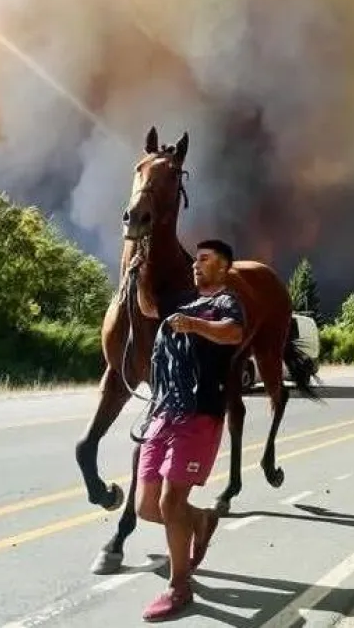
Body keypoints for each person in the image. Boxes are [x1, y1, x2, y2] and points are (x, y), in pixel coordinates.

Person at [131, 238, 245, 622]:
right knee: (146, 507)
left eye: (206, 259)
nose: (196, 265)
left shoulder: (226, 302)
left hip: (199, 413)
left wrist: (195, 325)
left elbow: (233, 333)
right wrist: (138, 268)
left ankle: (180, 587)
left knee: (169, 503)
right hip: (164, 411)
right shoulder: (181, 300)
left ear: (224, 268)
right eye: (195, 260)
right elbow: (148, 307)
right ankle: (200, 520)